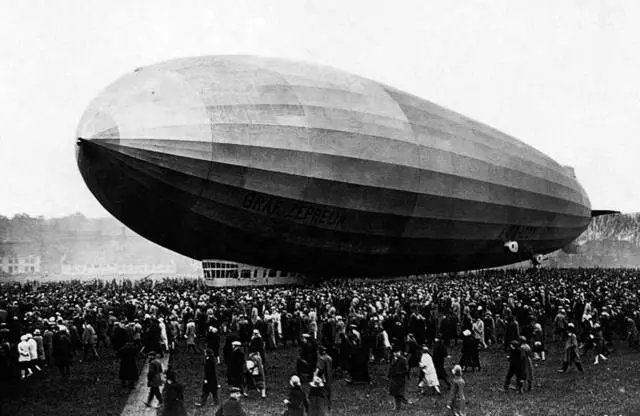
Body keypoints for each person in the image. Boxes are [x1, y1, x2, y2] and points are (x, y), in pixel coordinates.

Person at [388, 345, 410, 411]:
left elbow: (406, 369)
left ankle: (398, 406)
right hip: (393, 378)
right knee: (394, 393)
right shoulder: (393, 359)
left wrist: (402, 374)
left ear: (399, 352)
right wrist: (389, 375)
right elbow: (391, 368)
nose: (396, 353)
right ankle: (400, 402)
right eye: (394, 352)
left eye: (397, 352)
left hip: (400, 378)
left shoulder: (403, 359)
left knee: (398, 393)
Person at [314, 345, 333, 410]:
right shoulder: (330, 358)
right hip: (329, 377)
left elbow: (319, 369)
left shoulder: (321, 359)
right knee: (328, 392)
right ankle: (328, 405)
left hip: (323, 378)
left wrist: (314, 376)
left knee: (322, 392)